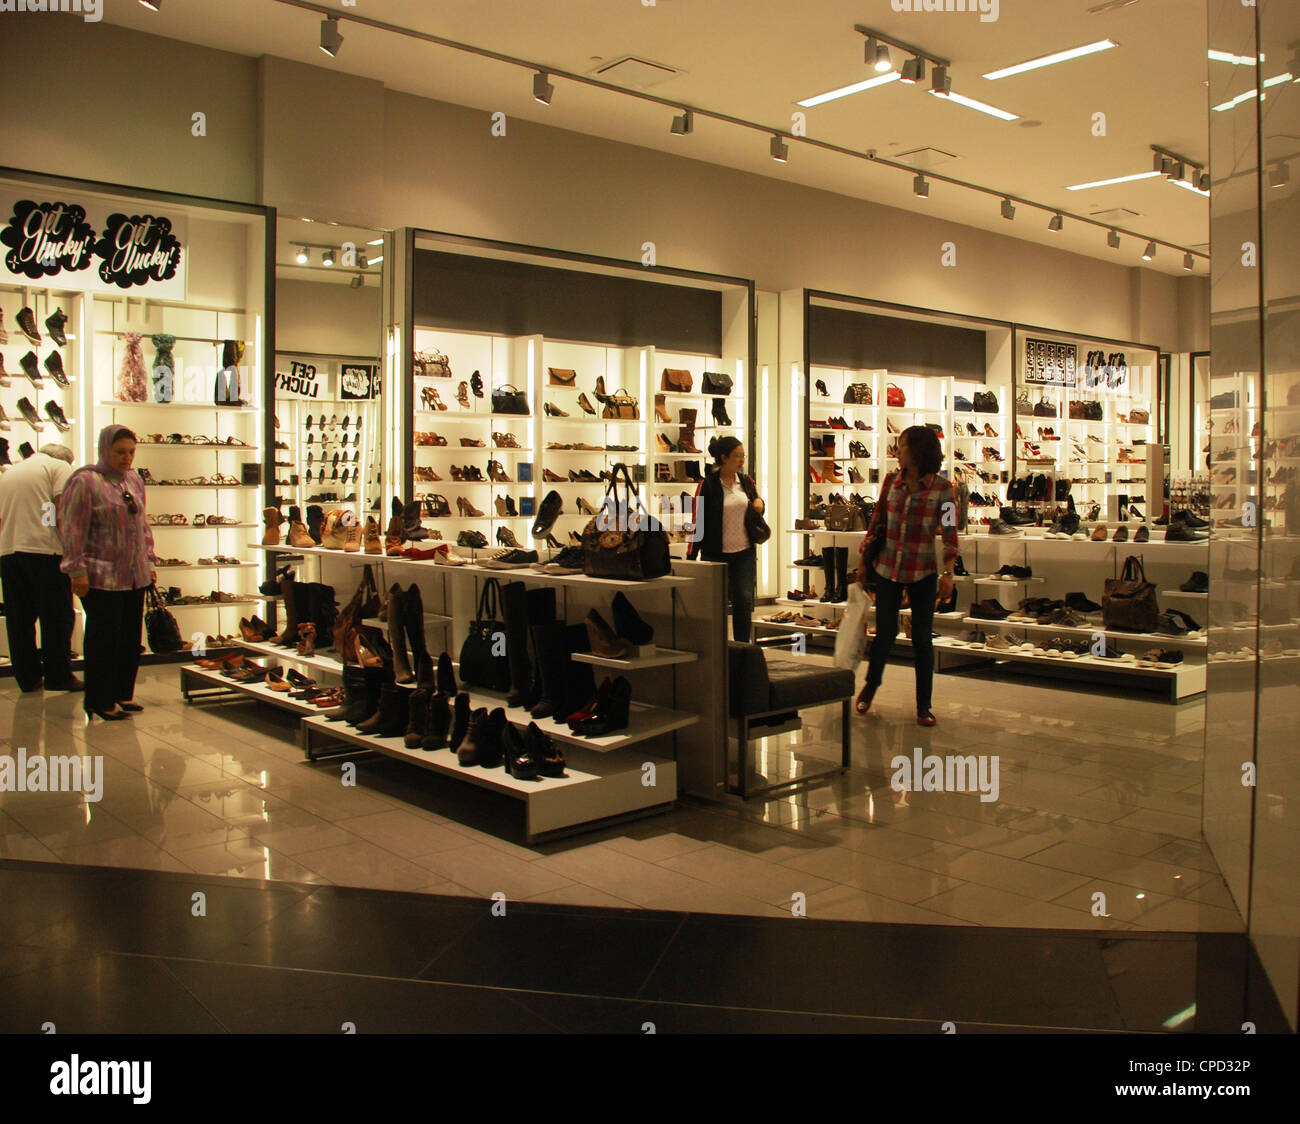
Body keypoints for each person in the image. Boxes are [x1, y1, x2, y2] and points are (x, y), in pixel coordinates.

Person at [854, 425, 958, 727]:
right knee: (884, 634)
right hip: (887, 567)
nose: (897, 451)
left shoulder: (943, 489)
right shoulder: (890, 483)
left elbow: (950, 534)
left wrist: (949, 572)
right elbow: (876, 525)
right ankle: (871, 686)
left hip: (923, 570)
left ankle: (923, 705)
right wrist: (863, 562)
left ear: (918, 451)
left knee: (922, 639)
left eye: (902, 446)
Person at [58, 425, 157, 721]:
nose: (127, 458)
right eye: (120, 452)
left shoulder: (134, 480)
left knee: (129, 637)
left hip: (134, 573)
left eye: (131, 452)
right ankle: (99, 699)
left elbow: (142, 524)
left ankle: (122, 693)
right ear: (105, 450)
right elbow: (73, 527)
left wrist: (149, 561)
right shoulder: (86, 481)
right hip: (101, 574)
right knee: (104, 638)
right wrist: (77, 570)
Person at [0, 444, 81, 692]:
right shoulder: (60, 467)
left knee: (19, 618)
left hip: (9, 551)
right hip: (45, 550)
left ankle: (27, 677)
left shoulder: (11, 472)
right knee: (57, 617)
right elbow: (62, 511)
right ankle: (58, 676)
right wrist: (73, 553)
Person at [688, 436, 765, 642]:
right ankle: (714, 644)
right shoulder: (708, 485)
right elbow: (698, 520)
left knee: (743, 600)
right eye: (737, 456)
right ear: (723, 457)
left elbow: (758, 504)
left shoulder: (746, 482)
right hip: (715, 552)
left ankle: (742, 647)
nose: (741, 460)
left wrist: (759, 502)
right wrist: (692, 554)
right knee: (714, 602)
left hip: (744, 551)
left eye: (743, 456)